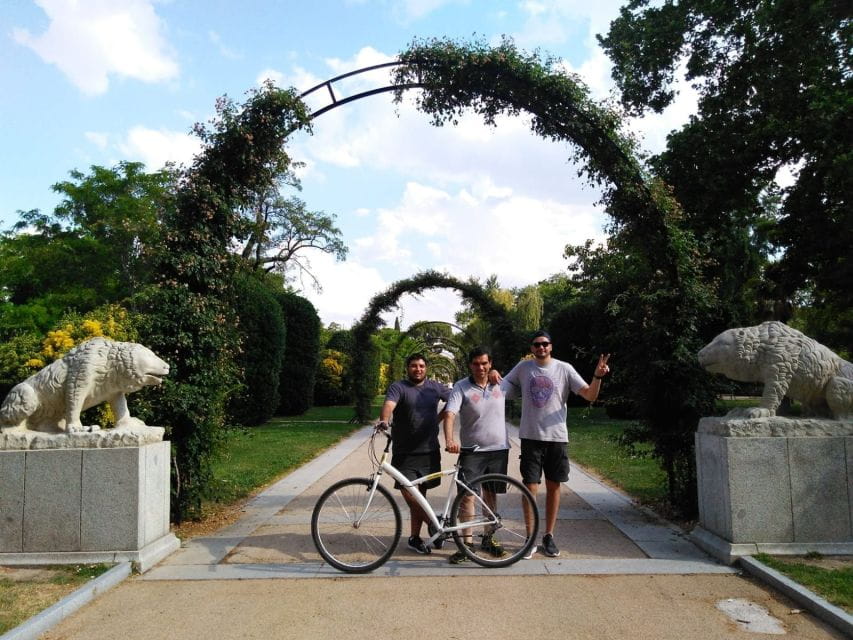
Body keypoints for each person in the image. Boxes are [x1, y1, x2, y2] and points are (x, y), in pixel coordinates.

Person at [502, 330, 610, 558]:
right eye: (536, 344)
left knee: (553, 487)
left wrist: (597, 377)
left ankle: (548, 536)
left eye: (545, 344)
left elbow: (590, 395)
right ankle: (530, 539)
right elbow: (503, 387)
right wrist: (493, 374)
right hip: (530, 437)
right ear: (531, 348)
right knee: (529, 487)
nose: (541, 348)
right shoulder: (523, 368)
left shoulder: (564, 368)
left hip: (557, 437)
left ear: (551, 346)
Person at [442, 346, 511, 564]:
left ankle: (489, 538)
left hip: (498, 449)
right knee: (467, 496)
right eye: (476, 363)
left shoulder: (502, 383)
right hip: (473, 451)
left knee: (490, 496)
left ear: (490, 363)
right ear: (470, 365)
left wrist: (497, 373)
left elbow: (525, 384)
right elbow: (450, 414)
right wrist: (450, 440)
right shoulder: (461, 387)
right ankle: (467, 544)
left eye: (484, 363)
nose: (480, 367)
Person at [377, 353, 450, 554]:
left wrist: (439, 418)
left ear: (426, 368)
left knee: (421, 496)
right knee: (410, 494)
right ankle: (434, 525)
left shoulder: (435, 387)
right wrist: (384, 420)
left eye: (421, 366)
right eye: (413, 366)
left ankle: (415, 538)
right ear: (407, 368)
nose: (417, 369)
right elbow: (389, 406)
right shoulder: (398, 387)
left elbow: (455, 400)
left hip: (429, 450)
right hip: (404, 451)